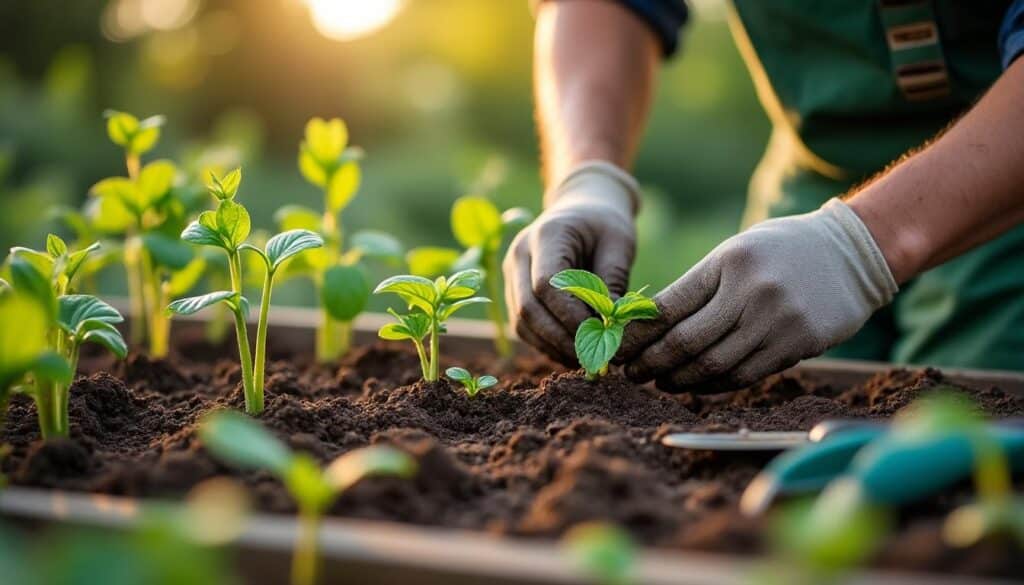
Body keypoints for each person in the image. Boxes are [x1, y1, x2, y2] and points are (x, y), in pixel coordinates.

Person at [504, 0, 1024, 394]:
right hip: (817, 178)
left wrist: (857, 249)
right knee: (760, 402)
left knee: (961, 426)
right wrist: (589, 179)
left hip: (1004, 186)